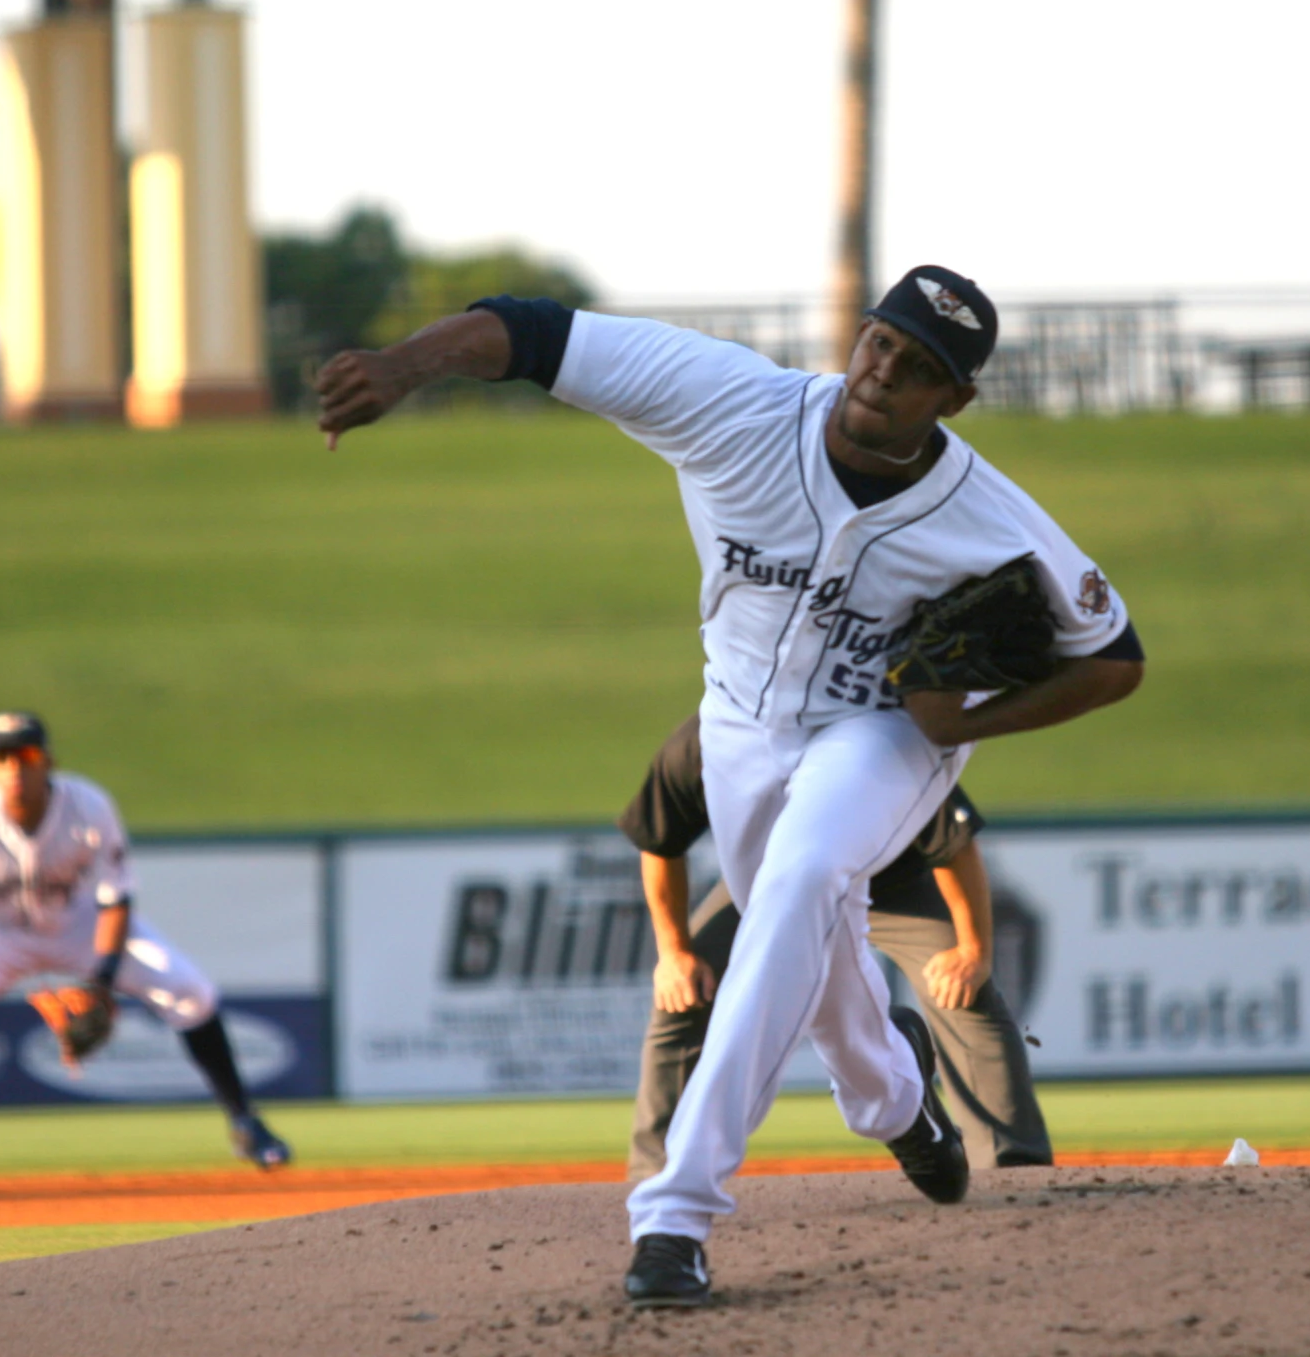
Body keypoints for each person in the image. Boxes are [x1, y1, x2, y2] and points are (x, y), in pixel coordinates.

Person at [316, 265, 1144, 1308]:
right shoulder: (729, 402)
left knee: (801, 881)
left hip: (884, 733)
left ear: (955, 398)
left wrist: (968, 724)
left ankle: (676, 1214)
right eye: (880, 342)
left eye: (918, 366)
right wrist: (403, 368)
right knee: (814, 952)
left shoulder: (990, 514)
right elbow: (531, 333)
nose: (883, 371)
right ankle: (896, 1105)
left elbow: (1114, 656)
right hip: (739, 724)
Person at [622, 712, 1053, 1179]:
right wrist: (673, 953)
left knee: (962, 988)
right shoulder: (706, 740)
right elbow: (660, 843)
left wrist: (972, 951)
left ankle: (1013, 1166)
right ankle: (654, 1172)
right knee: (684, 987)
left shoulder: (875, 737)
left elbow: (954, 845)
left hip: (896, 878)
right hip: (771, 885)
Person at [0, 711, 292, 1190]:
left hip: (80, 925)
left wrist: (101, 980)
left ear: (48, 761)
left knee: (190, 991)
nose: (16, 767)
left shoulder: (89, 806)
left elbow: (116, 900)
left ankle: (246, 1122)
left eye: (27, 754)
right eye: (3, 756)